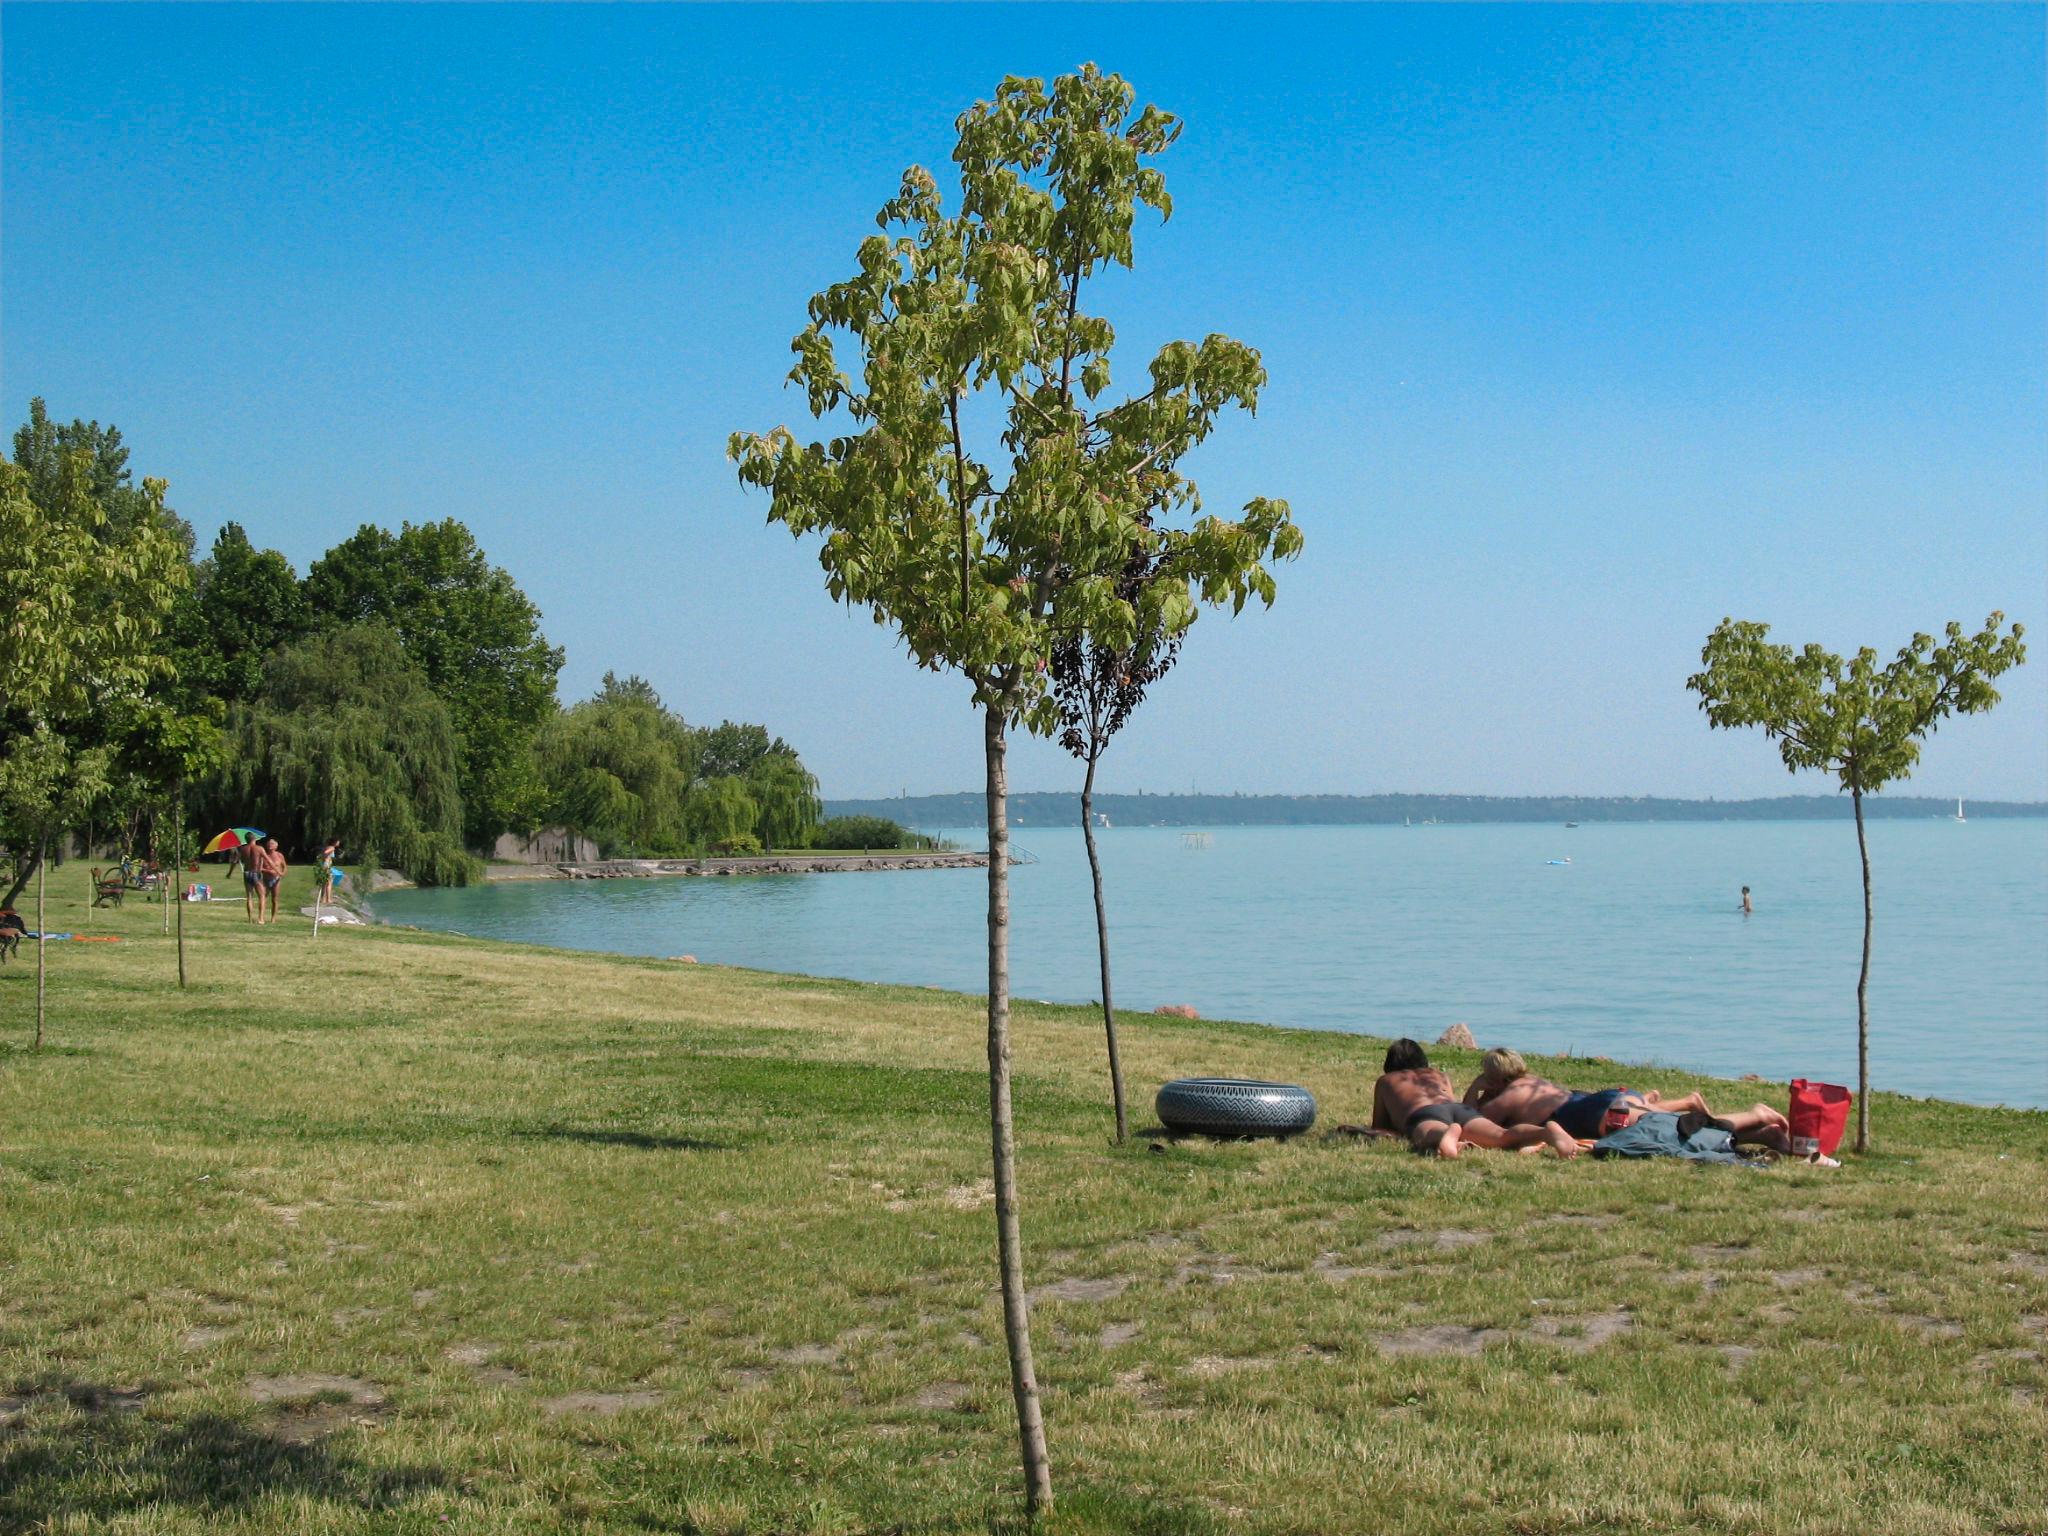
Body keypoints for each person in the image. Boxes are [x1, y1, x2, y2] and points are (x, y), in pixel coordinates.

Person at [1465, 1047, 1792, 1152]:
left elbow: (1470, 1118)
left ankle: (1754, 1114)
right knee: (1659, 1122)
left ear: (1494, 1076)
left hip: (1591, 1114)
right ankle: (1756, 1133)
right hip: (1603, 1100)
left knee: (1677, 1130)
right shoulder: (1533, 1081)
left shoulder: (1506, 1097)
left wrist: (1476, 1087)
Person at [1369, 1039, 1579, 1160]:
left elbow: (1379, 1125)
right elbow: (1455, 1104)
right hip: (1456, 1110)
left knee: (1427, 1134)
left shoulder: (1386, 1081)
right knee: (1501, 1136)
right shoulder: (1439, 1075)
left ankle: (1447, 1135)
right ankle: (1546, 1132)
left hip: (1424, 1114)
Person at [258, 837, 287, 924]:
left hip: (276, 879)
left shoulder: (279, 855)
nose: (270, 845)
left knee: (275, 899)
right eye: (268, 844)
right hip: (265, 879)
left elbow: (284, 866)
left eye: (272, 844)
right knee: (263, 898)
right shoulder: (264, 855)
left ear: (276, 846)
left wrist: (283, 873)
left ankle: (273, 918)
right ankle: (261, 917)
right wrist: (268, 871)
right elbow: (259, 868)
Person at [239, 844, 262, 923]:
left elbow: (241, 860)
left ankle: (250, 919)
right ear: (254, 839)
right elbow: (266, 859)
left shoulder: (243, 849)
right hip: (255, 872)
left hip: (247, 872)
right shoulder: (258, 848)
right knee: (261, 896)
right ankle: (260, 918)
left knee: (249, 896)